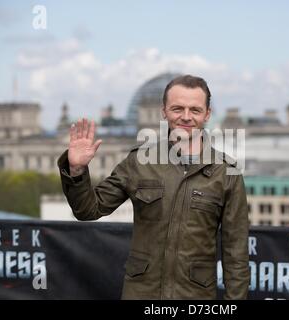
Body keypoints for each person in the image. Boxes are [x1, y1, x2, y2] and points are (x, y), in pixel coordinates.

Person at [57, 74, 250, 299]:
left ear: (207, 114)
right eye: (177, 108)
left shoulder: (227, 172)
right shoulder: (139, 162)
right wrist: (77, 170)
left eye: (195, 110)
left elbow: (235, 252)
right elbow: (87, 210)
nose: (186, 117)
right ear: (164, 111)